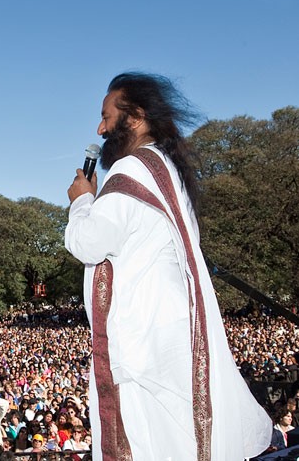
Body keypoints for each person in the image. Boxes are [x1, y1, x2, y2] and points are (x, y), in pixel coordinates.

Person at [65, 72, 271, 460]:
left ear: (136, 116)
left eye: (107, 116)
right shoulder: (167, 171)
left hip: (144, 342)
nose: (100, 127)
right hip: (170, 331)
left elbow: (89, 242)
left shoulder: (131, 171)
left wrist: (81, 201)